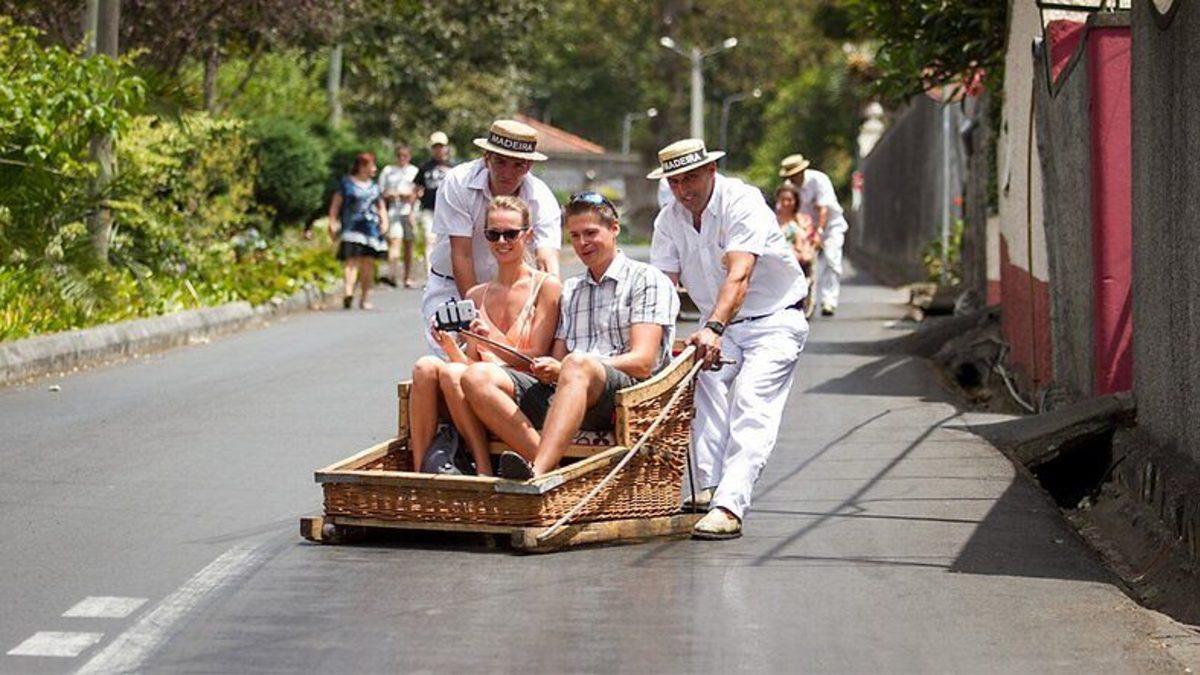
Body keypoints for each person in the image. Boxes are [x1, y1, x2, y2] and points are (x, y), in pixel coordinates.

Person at [649, 138, 809, 540]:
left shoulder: (742, 201)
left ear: (711, 172)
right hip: (719, 326)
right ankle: (706, 488)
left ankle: (729, 505)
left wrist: (714, 328)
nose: (684, 190)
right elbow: (662, 289)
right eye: (675, 181)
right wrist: (661, 341)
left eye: (691, 178)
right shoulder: (669, 220)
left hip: (774, 320)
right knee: (700, 379)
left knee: (752, 403)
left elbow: (740, 274)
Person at [460, 192, 679, 479]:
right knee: (475, 376)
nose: (582, 243)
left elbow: (643, 362)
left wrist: (568, 367)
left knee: (578, 364)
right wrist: (550, 367)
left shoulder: (646, 279)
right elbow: (557, 359)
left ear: (614, 229)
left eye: (591, 233)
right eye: (574, 236)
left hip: (623, 396)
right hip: (567, 389)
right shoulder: (573, 288)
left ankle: (539, 472)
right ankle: (544, 461)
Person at [407, 196, 562, 476]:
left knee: (463, 375)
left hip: (527, 383)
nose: (501, 242)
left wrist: (489, 338)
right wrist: (451, 343)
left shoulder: (546, 286)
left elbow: (537, 356)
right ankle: (419, 471)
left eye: (510, 234)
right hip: (479, 380)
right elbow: (468, 361)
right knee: (427, 366)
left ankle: (483, 468)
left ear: (527, 235)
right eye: (493, 234)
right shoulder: (476, 294)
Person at [420, 119, 562, 354]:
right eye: (501, 162)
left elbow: (548, 262)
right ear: (486, 157)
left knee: (514, 363)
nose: (507, 173)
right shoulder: (458, 182)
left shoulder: (541, 198)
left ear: (529, 167)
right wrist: (477, 314)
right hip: (453, 286)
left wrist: (549, 309)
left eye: (518, 165)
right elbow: (461, 256)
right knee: (451, 364)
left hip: (511, 292)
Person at [779, 153, 849, 316]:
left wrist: (819, 232)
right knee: (804, 263)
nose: (793, 178)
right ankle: (807, 299)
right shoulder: (789, 187)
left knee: (832, 260)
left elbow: (822, 209)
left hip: (830, 226)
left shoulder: (819, 180)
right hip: (805, 227)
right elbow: (787, 211)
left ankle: (829, 300)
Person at [327, 152, 389, 310]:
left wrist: (384, 221)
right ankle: (348, 292)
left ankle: (365, 298)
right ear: (362, 166)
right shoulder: (347, 184)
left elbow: (381, 206)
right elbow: (336, 204)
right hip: (351, 228)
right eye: (371, 165)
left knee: (367, 265)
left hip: (370, 230)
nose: (374, 169)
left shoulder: (374, 187)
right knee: (351, 261)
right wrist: (332, 221)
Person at [378, 144, 420, 288]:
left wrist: (410, 196)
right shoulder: (388, 171)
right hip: (394, 211)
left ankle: (407, 277)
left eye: (405, 155)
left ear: (409, 156)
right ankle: (392, 274)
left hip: (409, 212)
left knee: (409, 244)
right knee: (395, 241)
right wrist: (391, 195)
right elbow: (381, 192)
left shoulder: (414, 171)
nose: (402, 158)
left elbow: (420, 191)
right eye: (399, 155)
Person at [775, 182, 818, 316]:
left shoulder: (803, 221)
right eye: (783, 200)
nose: (786, 203)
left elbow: (807, 243)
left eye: (789, 200)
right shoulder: (771, 221)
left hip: (797, 258)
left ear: (795, 202)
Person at [414, 131, 453, 278]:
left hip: (447, 211)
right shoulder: (424, 168)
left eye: (441, 146)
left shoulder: (453, 168)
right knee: (429, 239)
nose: (439, 150)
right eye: (436, 147)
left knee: (444, 242)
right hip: (429, 209)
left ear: (446, 148)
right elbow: (417, 188)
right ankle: (430, 274)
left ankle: (444, 272)